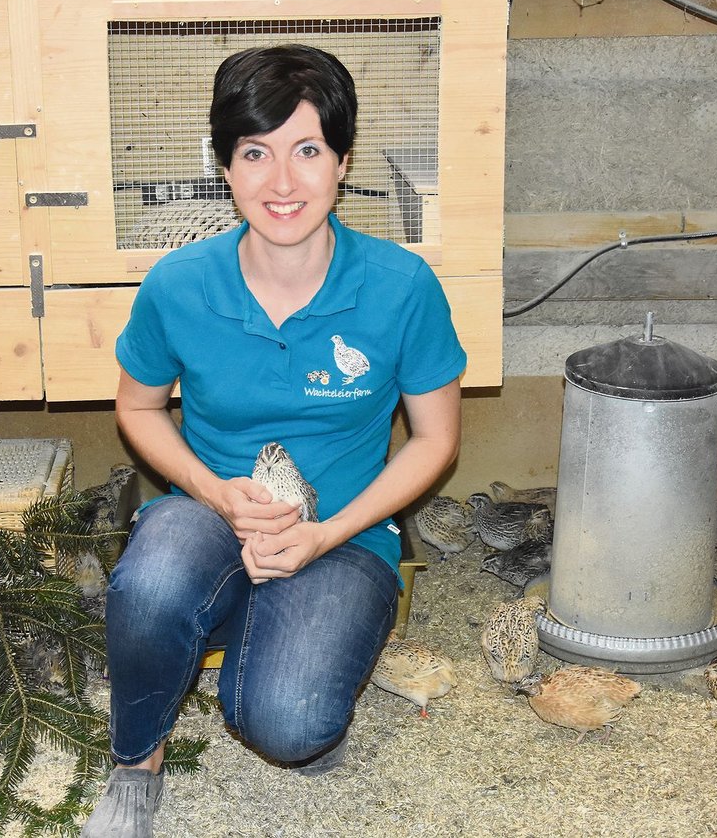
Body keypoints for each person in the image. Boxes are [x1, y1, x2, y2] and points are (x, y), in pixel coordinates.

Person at [81, 43, 465, 838]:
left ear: (342, 161)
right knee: (149, 587)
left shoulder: (402, 287)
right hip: (213, 514)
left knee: (290, 725)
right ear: (225, 166)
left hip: (344, 536)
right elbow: (139, 408)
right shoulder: (179, 285)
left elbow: (434, 442)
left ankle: (287, 659)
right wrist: (217, 492)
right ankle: (137, 763)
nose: (282, 183)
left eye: (307, 151)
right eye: (255, 153)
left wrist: (325, 534)